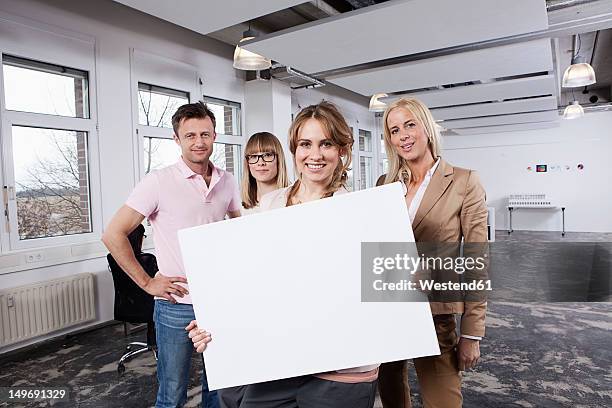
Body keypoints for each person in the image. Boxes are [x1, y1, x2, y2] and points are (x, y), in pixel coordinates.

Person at [186, 101, 378, 408]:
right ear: (294, 149)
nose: (315, 155)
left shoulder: (364, 213)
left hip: (341, 369)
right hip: (278, 362)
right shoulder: (270, 205)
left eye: (326, 143)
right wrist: (214, 320)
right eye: (305, 144)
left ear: (342, 150)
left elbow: (378, 291)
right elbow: (253, 284)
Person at [102, 101, 241, 408]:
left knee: (217, 390)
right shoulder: (158, 182)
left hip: (218, 302)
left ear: (215, 135)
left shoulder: (227, 181)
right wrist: (147, 282)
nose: (199, 141)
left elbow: (239, 231)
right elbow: (113, 235)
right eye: (190, 135)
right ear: (176, 139)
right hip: (175, 305)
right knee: (172, 393)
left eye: (205, 134)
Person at [375, 98, 488, 408]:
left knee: (443, 402)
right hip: (389, 308)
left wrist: (472, 332)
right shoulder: (385, 184)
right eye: (394, 130)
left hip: (435, 314)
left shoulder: (464, 181)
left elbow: (477, 260)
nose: (404, 136)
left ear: (426, 127)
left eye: (410, 125)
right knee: (391, 393)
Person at [241, 132, 290, 215]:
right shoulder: (240, 209)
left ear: (279, 160)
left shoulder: (293, 200)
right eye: (253, 156)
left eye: (267, 155)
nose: (260, 163)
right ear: (247, 163)